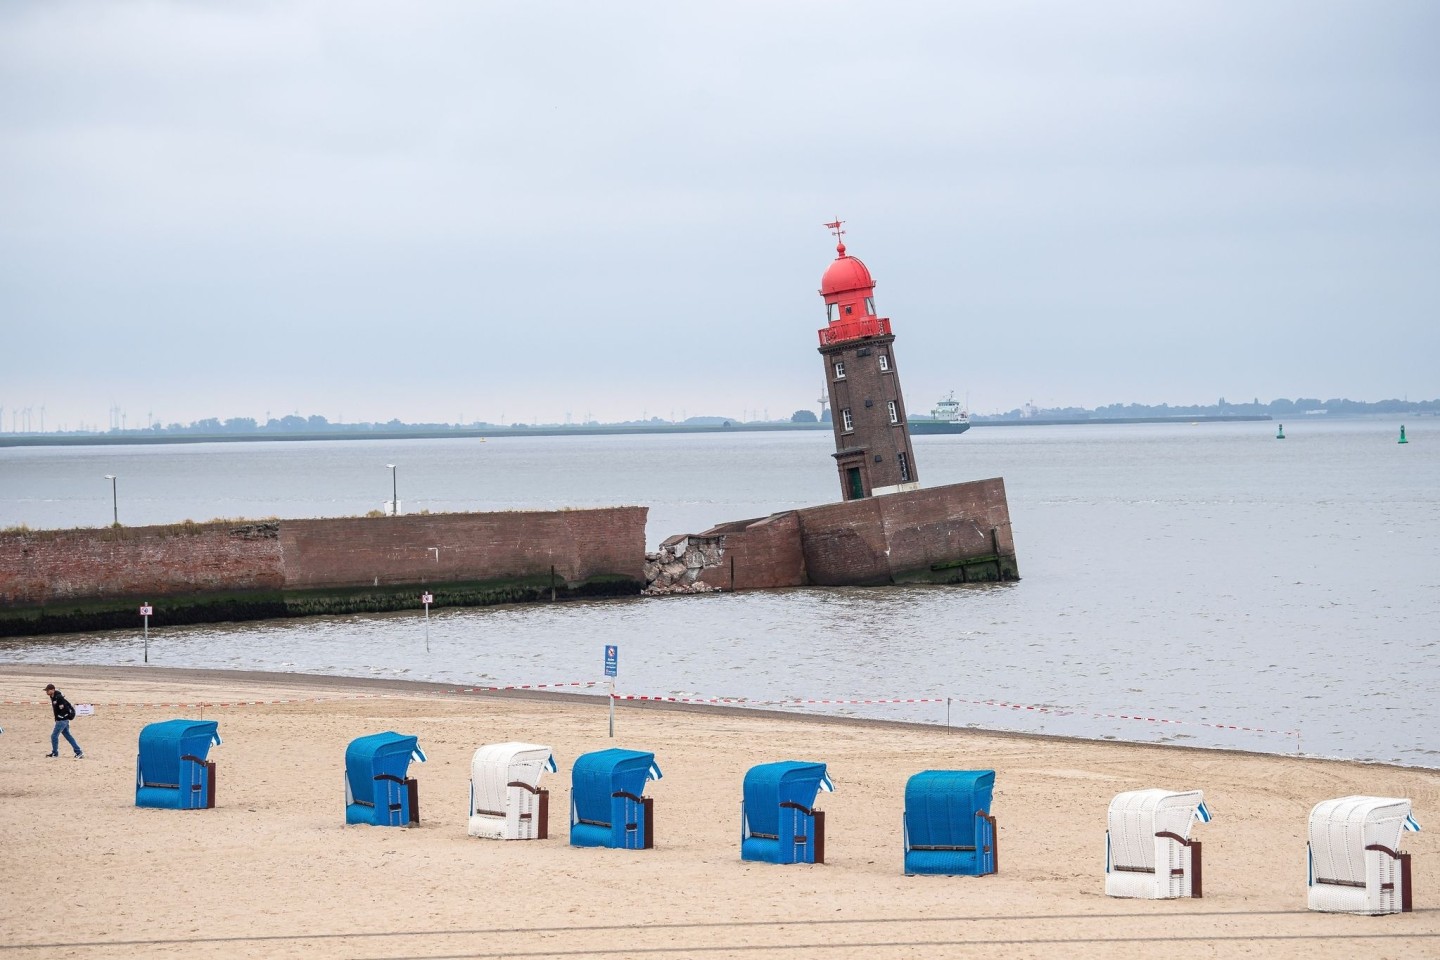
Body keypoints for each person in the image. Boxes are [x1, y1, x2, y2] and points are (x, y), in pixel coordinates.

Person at [44, 683, 83, 759]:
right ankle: (78, 751)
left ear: (52, 690)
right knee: (68, 736)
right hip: (61, 720)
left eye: (48, 690)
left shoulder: (58, 697)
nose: (46, 692)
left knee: (54, 736)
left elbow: (64, 709)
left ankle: (55, 753)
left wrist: (60, 717)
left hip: (62, 720)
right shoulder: (53, 697)